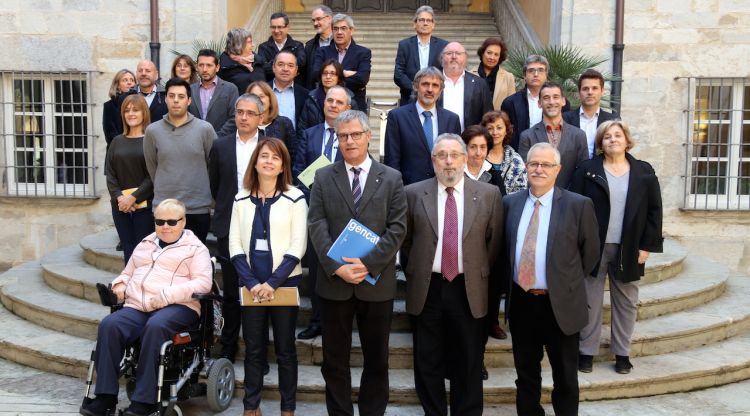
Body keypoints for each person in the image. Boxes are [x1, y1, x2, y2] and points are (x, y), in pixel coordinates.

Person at [308, 110, 407, 416]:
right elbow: (316, 223)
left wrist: (367, 264)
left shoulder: (391, 178)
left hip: (376, 284)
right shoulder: (323, 176)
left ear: (369, 136)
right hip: (334, 282)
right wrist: (337, 266)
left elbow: (398, 228)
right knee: (334, 361)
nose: (349, 141)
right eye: (342, 136)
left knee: (377, 360)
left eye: (354, 135)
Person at [78, 199, 212, 416]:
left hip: (178, 306)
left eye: (171, 221)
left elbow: (203, 283)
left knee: (156, 326)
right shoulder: (145, 244)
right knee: (110, 325)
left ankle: (145, 402)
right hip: (139, 306)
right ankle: (105, 398)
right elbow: (128, 272)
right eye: (160, 221)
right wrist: (119, 285)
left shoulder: (196, 249)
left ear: (183, 221)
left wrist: (167, 295)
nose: (165, 226)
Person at [402, 133, 503, 416]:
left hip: (467, 287)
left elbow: (492, 245)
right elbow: (407, 240)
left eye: (454, 155)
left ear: (465, 158)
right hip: (428, 287)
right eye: (441, 155)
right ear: (433, 160)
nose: (448, 162)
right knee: (427, 361)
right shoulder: (412, 193)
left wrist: (471, 267)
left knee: (469, 360)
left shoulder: (488, 194)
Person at [503, 142, 600, 416]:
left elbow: (590, 253)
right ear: (526, 167)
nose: (538, 169)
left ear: (558, 169)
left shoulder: (578, 205)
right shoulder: (510, 203)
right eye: (533, 163)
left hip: (560, 304)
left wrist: (562, 281)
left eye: (546, 165)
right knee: (526, 374)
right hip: (522, 302)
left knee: (566, 376)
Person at [571, 120, 663, 375]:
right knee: (590, 301)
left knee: (626, 302)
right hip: (594, 246)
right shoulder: (587, 171)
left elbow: (655, 212)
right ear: (600, 143)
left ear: (626, 139)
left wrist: (647, 246)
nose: (613, 140)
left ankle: (622, 353)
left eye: (617, 135)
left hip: (629, 247)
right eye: (607, 136)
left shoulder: (643, 172)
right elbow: (573, 208)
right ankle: (586, 352)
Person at [228, 137, 307, 416]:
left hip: (283, 284)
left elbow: (299, 245)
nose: (269, 161)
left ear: (283, 164)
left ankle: (288, 408)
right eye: (264, 156)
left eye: (275, 157)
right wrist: (252, 283)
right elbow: (234, 244)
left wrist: (272, 283)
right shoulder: (240, 198)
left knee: (285, 349)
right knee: (253, 349)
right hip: (250, 285)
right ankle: (251, 406)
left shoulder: (295, 197)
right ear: (255, 161)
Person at [208, 93, 265, 362]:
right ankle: (229, 346)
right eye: (239, 112)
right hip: (229, 224)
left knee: (260, 288)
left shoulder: (270, 145)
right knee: (231, 290)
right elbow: (215, 185)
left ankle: (259, 351)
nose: (243, 117)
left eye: (249, 113)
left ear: (261, 117)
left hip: (264, 225)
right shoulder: (220, 146)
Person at [293, 86, 352, 340]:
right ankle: (317, 321)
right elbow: (298, 169)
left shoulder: (353, 137)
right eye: (330, 100)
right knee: (317, 271)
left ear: (347, 108)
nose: (334, 105)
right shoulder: (309, 134)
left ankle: (341, 323)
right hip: (314, 210)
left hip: (343, 212)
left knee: (341, 268)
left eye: (340, 102)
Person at [144, 78, 216, 243]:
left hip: (197, 207)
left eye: (181, 96)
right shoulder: (152, 131)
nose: (176, 100)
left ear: (189, 100)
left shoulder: (205, 129)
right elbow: (152, 166)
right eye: (172, 96)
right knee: (167, 263)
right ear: (166, 99)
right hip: (165, 208)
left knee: (195, 262)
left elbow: (212, 165)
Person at [384, 67, 461, 186]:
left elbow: (456, 158)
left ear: (440, 90)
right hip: (409, 190)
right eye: (425, 84)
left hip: (443, 187)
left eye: (435, 85)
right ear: (415, 86)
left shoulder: (452, 119)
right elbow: (392, 160)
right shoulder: (397, 117)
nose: (430, 89)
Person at [105, 94, 154, 265]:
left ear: (144, 113)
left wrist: (133, 197)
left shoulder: (151, 140)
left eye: (135, 110)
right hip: (120, 207)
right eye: (127, 110)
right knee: (128, 248)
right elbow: (110, 174)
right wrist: (120, 198)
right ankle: (128, 288)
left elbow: (153, 174)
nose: (131, 114)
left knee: (144, 251)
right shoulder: (116, 141)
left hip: (145, 206)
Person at [519, 82, 588, 189]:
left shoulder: (578, 135)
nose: (551, 102)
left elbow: (582, 172)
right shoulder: (527, 136)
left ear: (563, 101)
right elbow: (525, 173)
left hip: (569, 199)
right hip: (538, 197)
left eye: (556, 97)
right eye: (546, 98)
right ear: (539, 103)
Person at [501, 55, 570, 151]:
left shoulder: (559, 103)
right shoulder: (510, 102)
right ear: (524, 75)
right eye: (531, 70)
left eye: (541, 70)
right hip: (519, 155)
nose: (536, 74)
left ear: (546, 75)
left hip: (551, 154)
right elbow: (506, 134)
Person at [311, 14, 371, 112]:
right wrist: (345, 73)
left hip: (354, 106)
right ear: (332, 31)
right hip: (326, 107)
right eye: (335, 29)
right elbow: (316, 74)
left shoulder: (363, 52)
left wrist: (330, 77)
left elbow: (362, 79)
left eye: (343, 28)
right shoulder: (322, 51)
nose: (339, 32)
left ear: (351, 31)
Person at [393, 5, 448, 105]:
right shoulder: (404, 45)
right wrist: (417, 89)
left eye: (428, 20)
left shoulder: (443, 46)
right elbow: (398, 74)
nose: (425, 23)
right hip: (410, 98)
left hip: (435, 99)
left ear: (433, 25)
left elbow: (446, 72)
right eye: (422, 20)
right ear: (415, 24)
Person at [563, 68, 618, 158]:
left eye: (594, 88)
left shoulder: (612, 120)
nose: (590, 92)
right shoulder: (565, 119)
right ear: (579, 92)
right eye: (585, 89)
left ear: (602, 91)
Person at [437, 41, 492, 130]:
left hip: (469, 140)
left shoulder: (479, 84)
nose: (454, 57)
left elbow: (488, 116)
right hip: (438, 140)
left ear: (466, 58)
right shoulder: (432, 81)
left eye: (458, 53)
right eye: (449, 53)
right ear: (442, 58)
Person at [296, 59, 356, 137]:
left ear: (339, 77)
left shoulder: (350, 100)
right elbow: (302, 129)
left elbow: (356, 128)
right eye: (325, 73)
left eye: (332, 73)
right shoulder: (311, 99)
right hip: (313, 145)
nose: (328, 77)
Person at [188, 49, 240, 135]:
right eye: (201, 65)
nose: (204, 69)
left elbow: (234, 117)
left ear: (217, 67)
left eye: (209, 65)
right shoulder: (190, 90)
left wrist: (217, 138)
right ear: (197, 67)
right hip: (195, 142)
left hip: (222, 142)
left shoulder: (230, 89)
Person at [114, 60, 168, 138]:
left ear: (156, 75)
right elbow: (120, 127)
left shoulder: (166, 97)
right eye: (140, 71)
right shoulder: (124, 98)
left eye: (148, 71)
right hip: (132, 146)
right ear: (136, 74)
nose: (143, 73)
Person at [248, 81, 297, 163]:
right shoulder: (244, 124)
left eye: (261, 96)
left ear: (270, 99)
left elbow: (293, 156)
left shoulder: (284, 123)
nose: (257, 100)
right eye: (253, 97)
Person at [481, 110, 528, 196]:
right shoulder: (478, 157)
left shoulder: (515, 160)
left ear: (506, 131)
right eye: (490, 128)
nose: (495, 132)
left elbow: (522, 191)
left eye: (499, 128)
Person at [257, 12, 307, 83]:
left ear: (287, 27)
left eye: (280, 27)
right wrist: (290, 65)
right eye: (273, 27)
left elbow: (301, 64)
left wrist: (273, 63)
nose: (276, 31)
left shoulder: (298, 46)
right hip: (271, 89)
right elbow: (263, 69)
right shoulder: (263, 47)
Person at [218, 28, 266, 96]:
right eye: (249, 42)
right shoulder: (225, 68)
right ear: (238, 45)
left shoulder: (259, 62)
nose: (252, 45)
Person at [271, 51, 309, 128]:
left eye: (290, 66)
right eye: (280, 64)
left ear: (296, 70)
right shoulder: (262, 91)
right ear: (273, 67)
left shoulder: (305, 95)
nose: (285, 69)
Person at [476, 37, 516, 110]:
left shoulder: (508, 77)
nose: (492, 57)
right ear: (482, 53)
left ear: (500, 57)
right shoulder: (468, 75)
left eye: (496, 54)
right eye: (489, 53)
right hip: (475, 121)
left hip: (499, 120)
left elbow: (512, 105)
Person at [303, 5, 333, 89]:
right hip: (315, 94)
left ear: (329, 18)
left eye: (318, 19)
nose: (315, 23)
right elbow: (305, 74)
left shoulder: (341, 43)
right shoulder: (309, 46)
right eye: (313, 20)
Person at [103, 69, 135, 147]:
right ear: (118, 86)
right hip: (117, 150)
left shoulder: (141, 103)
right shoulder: (109, 106)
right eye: (125, 80)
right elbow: (110, 133)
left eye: (132, 80)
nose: (129, 82)